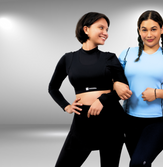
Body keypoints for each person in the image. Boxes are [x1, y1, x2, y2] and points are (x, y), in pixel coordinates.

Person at [48, 12, 131, 167]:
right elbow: (53, 88)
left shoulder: (110, 58)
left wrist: (103, 100)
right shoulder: (68, 59)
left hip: (111, 118)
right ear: (86, 29)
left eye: (107, 29)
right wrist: (66, 106)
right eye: (101, 27)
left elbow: (124, 90)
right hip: (83, 120)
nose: (105, 33)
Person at [113, 10, 163, 167]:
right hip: (129, 120)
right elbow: (115, 81)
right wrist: (115, 84)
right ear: (139, 31)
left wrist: (157, 93)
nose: (149, 34)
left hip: (159, 121)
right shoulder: (126, 54)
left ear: (162, 29)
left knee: (138, 163)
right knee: (140, 163)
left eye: (153, 29)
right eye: (144, 29)